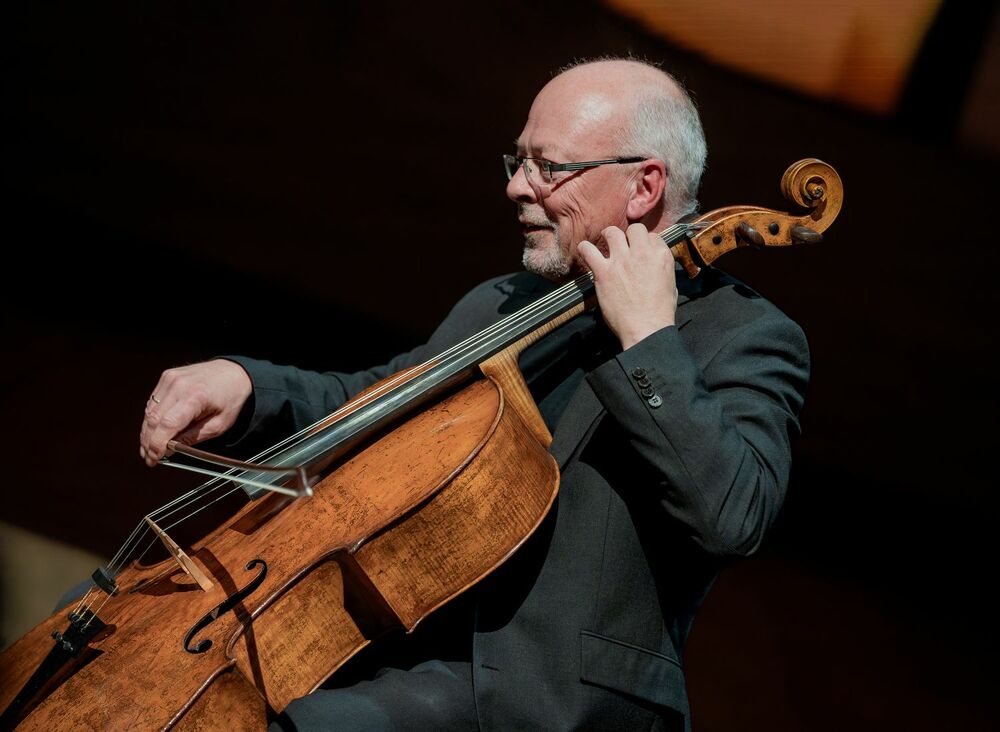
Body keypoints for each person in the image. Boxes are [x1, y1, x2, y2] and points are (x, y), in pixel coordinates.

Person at [140, 58, 809, 731]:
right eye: (516, 162)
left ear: (644, 186)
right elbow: (378, 397)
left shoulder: (746, 336)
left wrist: (646, 340)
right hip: (393, 663)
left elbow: (733, 515)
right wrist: (250, 387)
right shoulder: (504, 302)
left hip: (551, 703)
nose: (518, 187)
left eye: (549, 168)